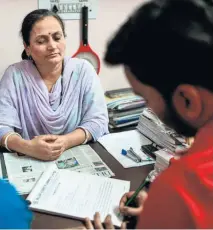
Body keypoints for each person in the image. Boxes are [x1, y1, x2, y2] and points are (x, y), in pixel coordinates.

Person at [85, 0, 213, 228]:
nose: (148, 109)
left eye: (145, 98)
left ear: (187, 100)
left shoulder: (182, 189)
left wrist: (165, 208)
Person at [0, 9, 108, 161]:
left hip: (75, 157)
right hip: (29, 161)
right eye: (41, 41)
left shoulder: (83, 70)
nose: (52, 46)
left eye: (57, 37)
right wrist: (28, 147)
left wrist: (65, 142)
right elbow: (2, 126)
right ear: (27, 47)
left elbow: (98, 121)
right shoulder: (14, 75)